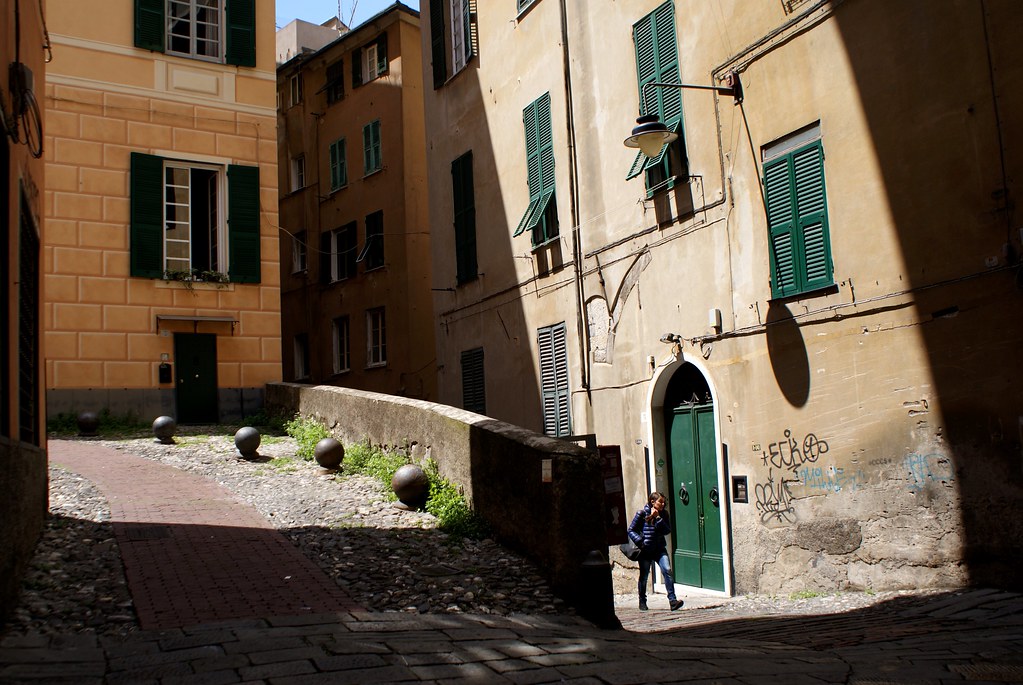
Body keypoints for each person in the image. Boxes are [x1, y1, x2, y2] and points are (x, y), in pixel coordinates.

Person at [627, 491, 684, 611]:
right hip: (645, 550)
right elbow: (630, 530)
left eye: (664, 502)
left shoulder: (664, 515)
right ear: (652, 502)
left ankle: (672, 600)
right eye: (660, 502)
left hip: (659, 549)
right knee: (644, 576)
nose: (663, 504)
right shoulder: (641, 513)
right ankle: (642, 601)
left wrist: (658, 517)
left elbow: (666, 531)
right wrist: (641, 542)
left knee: (667, 570)